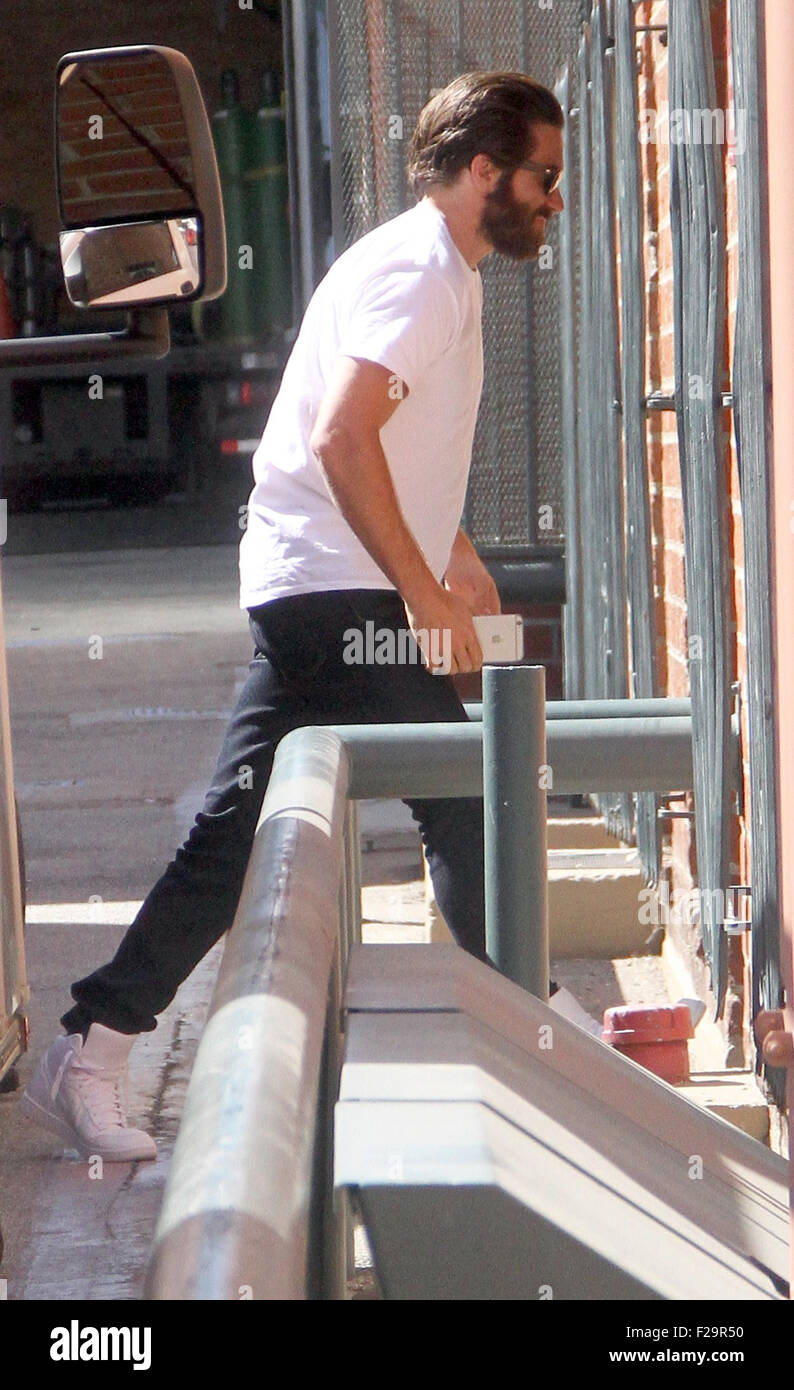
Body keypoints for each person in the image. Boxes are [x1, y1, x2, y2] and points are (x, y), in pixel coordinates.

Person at [21, 71, 571, 1162]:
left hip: (318, 578)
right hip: (333, 587)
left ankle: (93, 1041)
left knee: (235, 831)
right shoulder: (417, 276)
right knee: (459, 793)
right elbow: (338, 438)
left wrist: (455, 562)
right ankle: (533, 1038)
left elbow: (394, 451)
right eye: (540, 177)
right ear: (479, 171)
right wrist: (418, 588)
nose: (551, 199)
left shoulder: (436, 270)